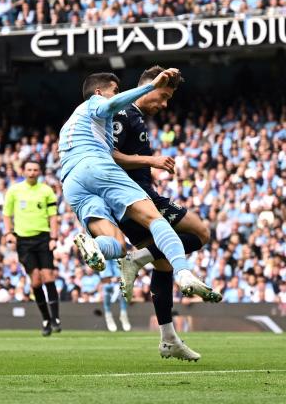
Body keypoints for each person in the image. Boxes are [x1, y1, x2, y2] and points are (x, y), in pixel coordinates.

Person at [58, 69, 215, 301]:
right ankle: (183, 273)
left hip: (71, 181)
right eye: (115, 91)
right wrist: (150, 87)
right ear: (99, 92)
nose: (117, 95)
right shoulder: (94, 103)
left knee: (117, 245)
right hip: (96, 166)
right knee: (155, 220)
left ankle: (95, 246)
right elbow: (105, 110)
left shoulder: (73, 123)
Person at [113, 65, 214, 361]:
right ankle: (138, 259)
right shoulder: (123, 114)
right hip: (136, 198)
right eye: (163, 96)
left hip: (139, 196)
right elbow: (108, 155)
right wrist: (152, 160)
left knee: (164, 265)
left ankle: (168, 339)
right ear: (149, 86)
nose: (165, 104)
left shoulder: (135, 116)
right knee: (201, 233)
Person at [2, 160, 61, 336]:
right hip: (24, 241)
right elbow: (7, 214)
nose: (32, 172)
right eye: (29, 169)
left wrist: (53, 237)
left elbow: (53, 216)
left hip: (43, 238)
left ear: (39, 172)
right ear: (23, 171)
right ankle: (46, 319)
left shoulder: (46, 190)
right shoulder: (14, 190)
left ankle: (56, 318)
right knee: (35, 280)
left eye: (35, 169)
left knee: (48, 276)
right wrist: (9, 233)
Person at [101, 260, 131, 333]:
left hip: (118, 283)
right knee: (106, 291)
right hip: (109, 283)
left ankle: (123, 315)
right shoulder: (105, 260)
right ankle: (108, 317)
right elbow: (104, 280)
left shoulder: (119, 259)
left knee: (123, 291)